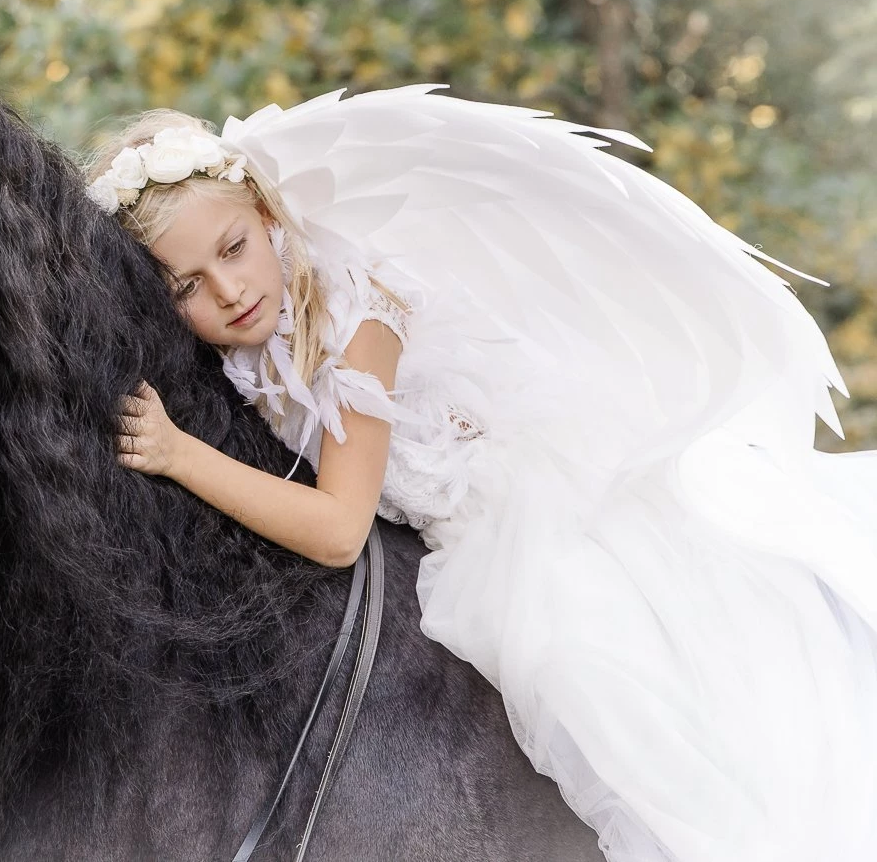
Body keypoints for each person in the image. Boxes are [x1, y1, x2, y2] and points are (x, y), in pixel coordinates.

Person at [84, 86, 877, 862]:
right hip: (451, 532)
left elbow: (338, 529)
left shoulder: (357, 317)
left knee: (581, 670)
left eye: (233, 249)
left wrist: (180, 454)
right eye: (186, 285)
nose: (228, 292)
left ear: (264, 213)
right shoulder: (240, 347)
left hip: (531, 504)